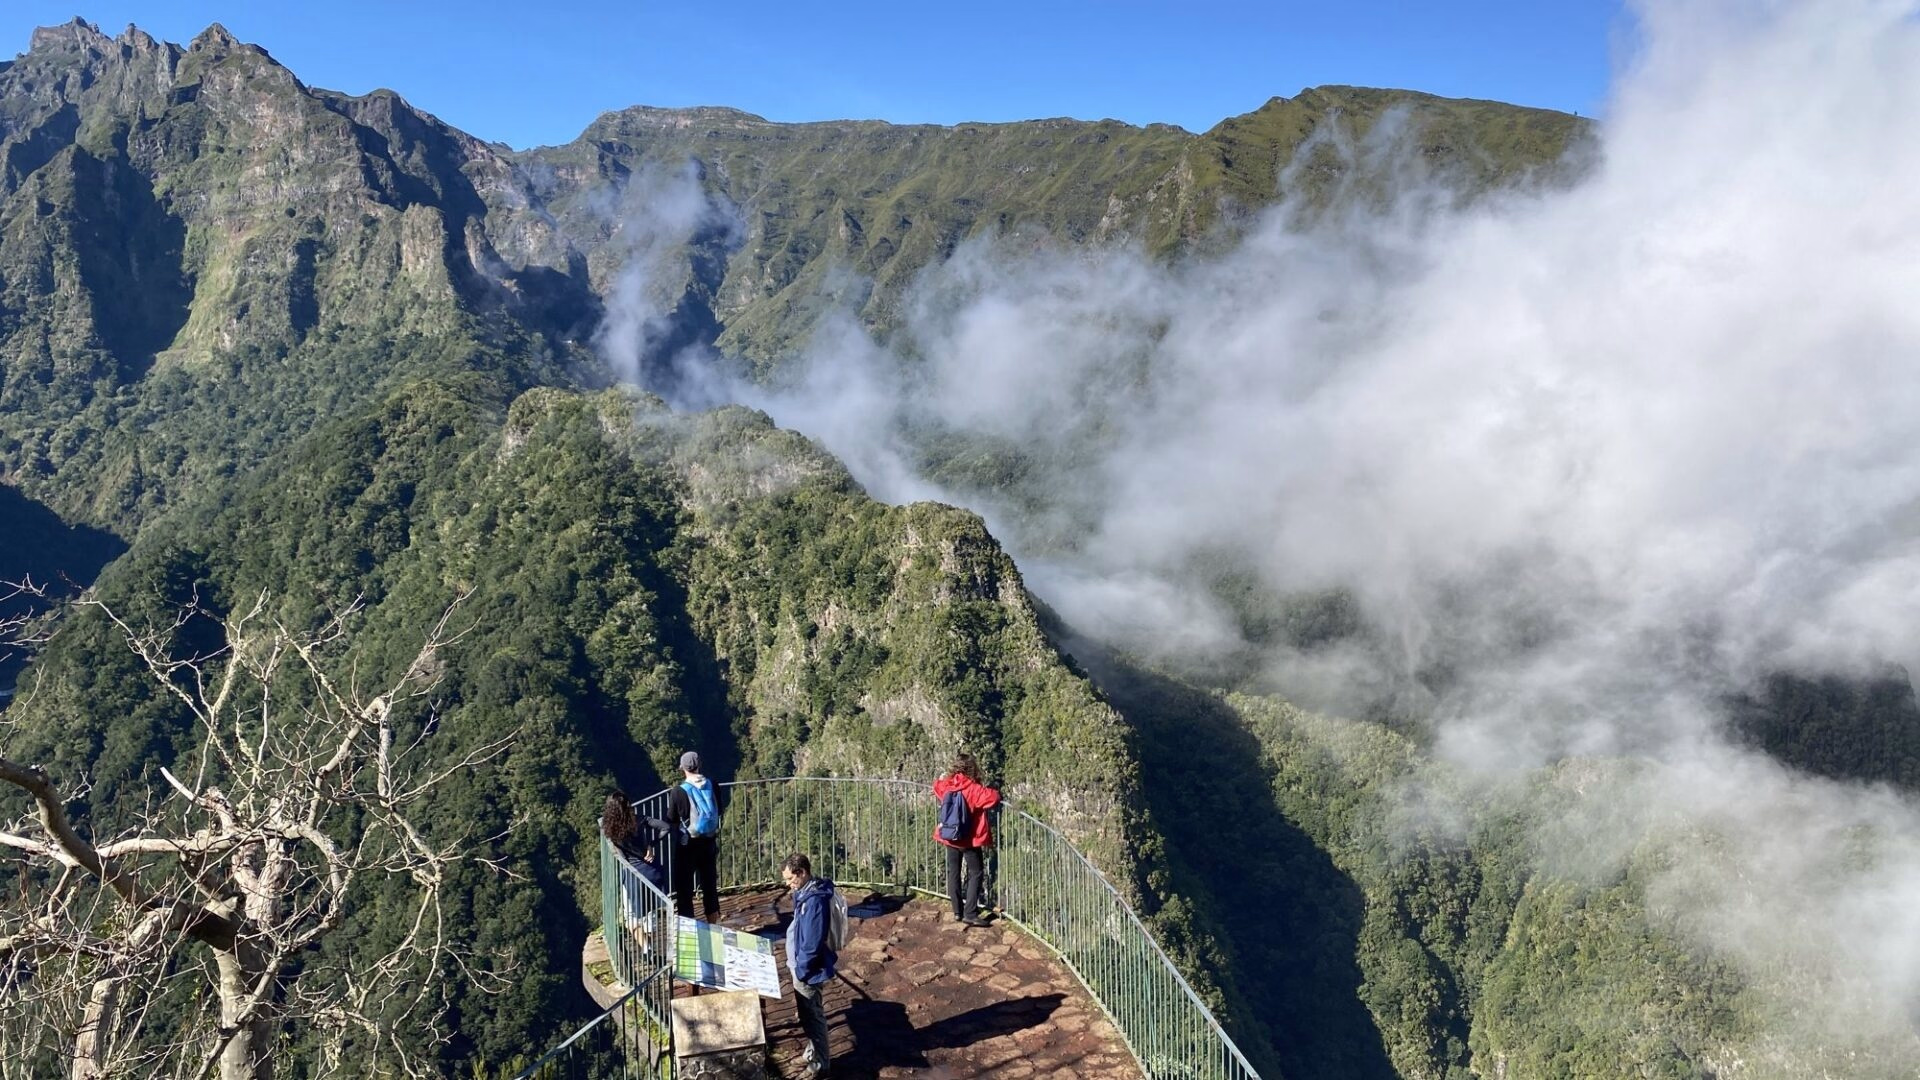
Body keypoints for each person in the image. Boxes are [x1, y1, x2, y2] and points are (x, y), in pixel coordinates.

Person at [782, 853, 837, 1077]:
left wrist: (802, 970)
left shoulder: (814, 901)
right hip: (801, 966)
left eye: (790, 879)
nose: (788, 884)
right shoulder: (805, 893)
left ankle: (821, 1064)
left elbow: (812, 942)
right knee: (806, 1014)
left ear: (802, 873)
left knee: (813, 1016)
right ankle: (811, 1052)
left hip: (807, 970)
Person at [932, 752, 1001, 928]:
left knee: (953, 872)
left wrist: (942, 778)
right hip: (969, 839)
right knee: (976, 872)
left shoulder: (948, 785)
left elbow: (937, 787)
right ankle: (970, 913)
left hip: (949, 836)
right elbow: (993, 797)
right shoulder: (973, 789)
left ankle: (957, 911)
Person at [664, 751, 722, 922]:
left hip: (687, 844)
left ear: (683, 768)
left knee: (684, 889)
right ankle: (714, 927)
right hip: (709, 841)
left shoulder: (678, 791)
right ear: (699, 765)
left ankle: (689, 931)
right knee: (709, 885)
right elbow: (720, 809)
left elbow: (672, 818)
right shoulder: (713, 784)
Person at [602, 791, 671, 899]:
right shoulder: (639, 819)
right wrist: (651, 844)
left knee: (639, 914)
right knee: (663, 911)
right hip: (652, 871)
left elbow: (622, 857)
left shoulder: (609, 830)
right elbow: (666, 827)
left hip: (633, 876)